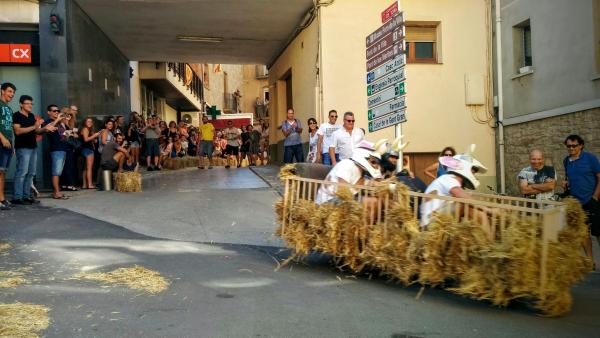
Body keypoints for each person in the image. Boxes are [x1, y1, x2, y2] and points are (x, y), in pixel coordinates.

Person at [420, 151, 491, 236]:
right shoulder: (448, 179)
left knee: (471, 206)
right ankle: (489, 243)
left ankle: (487, 241)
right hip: (430, 225)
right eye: (473, 172)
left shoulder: (449, 180)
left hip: (435, 221)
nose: (474, 175)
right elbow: (465, 198)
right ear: (465, 168)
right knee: (467, 204)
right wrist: (490, 210)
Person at [562, 134, 600, 268]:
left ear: (581, 145)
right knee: (583, 233)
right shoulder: (566, 161)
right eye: (568, 146)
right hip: (577, 203)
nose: (571, 148)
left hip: (593, 201)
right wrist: (566, 184)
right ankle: (590, 262)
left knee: (598, 232)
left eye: (574, 145)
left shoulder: (590, 159)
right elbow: (571, 179)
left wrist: (595, 197)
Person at [11, 95, 55, 205]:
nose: (30, 105)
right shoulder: (16, 115)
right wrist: (35, 126)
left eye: (31, 103)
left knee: (31, 173)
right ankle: (17, 197)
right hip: (22, 147)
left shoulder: (31, 116)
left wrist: (45, 128)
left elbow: (36, 132)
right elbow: (18, 131)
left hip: (33, 147)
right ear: (21, 104)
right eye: (27, 103)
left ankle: (26, 196)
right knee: (22, 172)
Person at [315, 140, 385, 205]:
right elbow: (343, 192)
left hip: (341, 200)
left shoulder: (362, 171)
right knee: (371, 202)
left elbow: (374, 183)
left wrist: (384, 185)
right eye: (373, 162)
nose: (376, 166)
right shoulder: (347, 164)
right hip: (327, 202)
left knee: (379, 200)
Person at [43, 104, 70, 199]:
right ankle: (56, 192)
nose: (57, 112)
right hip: (56, 149)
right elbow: (47, 129)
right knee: (56, 172)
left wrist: (68, 133)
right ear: (49, 112)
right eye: (54, 111)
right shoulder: (48, 121)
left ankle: (57, 191)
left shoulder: (59, 123)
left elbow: (63, 136)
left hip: (62, 148)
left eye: (57, 110)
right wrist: (58, 120)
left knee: (58, 172)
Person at [0, 83, 16, 210]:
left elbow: (10, 128)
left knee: (3, 172)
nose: (11, 94)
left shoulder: (9, 109)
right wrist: (2, 138)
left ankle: (2, 198)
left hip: (8, 143)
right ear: (2, 91)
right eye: (9, 91)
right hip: (1, 141)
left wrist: (12, 145)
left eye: (13, 92)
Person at [60, 110, 79, 192]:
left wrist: (74, 134)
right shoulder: (62, 124)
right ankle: (68, 185)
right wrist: (71, 133)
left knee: (69, 167)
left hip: (70, 147)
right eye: (67, 115)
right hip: (65, 148)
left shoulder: (69, 125)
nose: (69, 117)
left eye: (70, 116)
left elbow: (72, 136)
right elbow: (62, 136)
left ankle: (66, 185)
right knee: (67, 167)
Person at [80, 117, 101, 189]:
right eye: (88, 121)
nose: (90, 123)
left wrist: (94, 140)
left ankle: (84, 185)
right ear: (85, 122)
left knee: (85, 168)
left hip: (85, 149)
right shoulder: (85, 129)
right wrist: (94, 136)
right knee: (89, 168)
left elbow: (89, 140)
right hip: (88, 150)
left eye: (91, 122)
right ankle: (90, 184)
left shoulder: (87, 129)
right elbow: (86, 139)